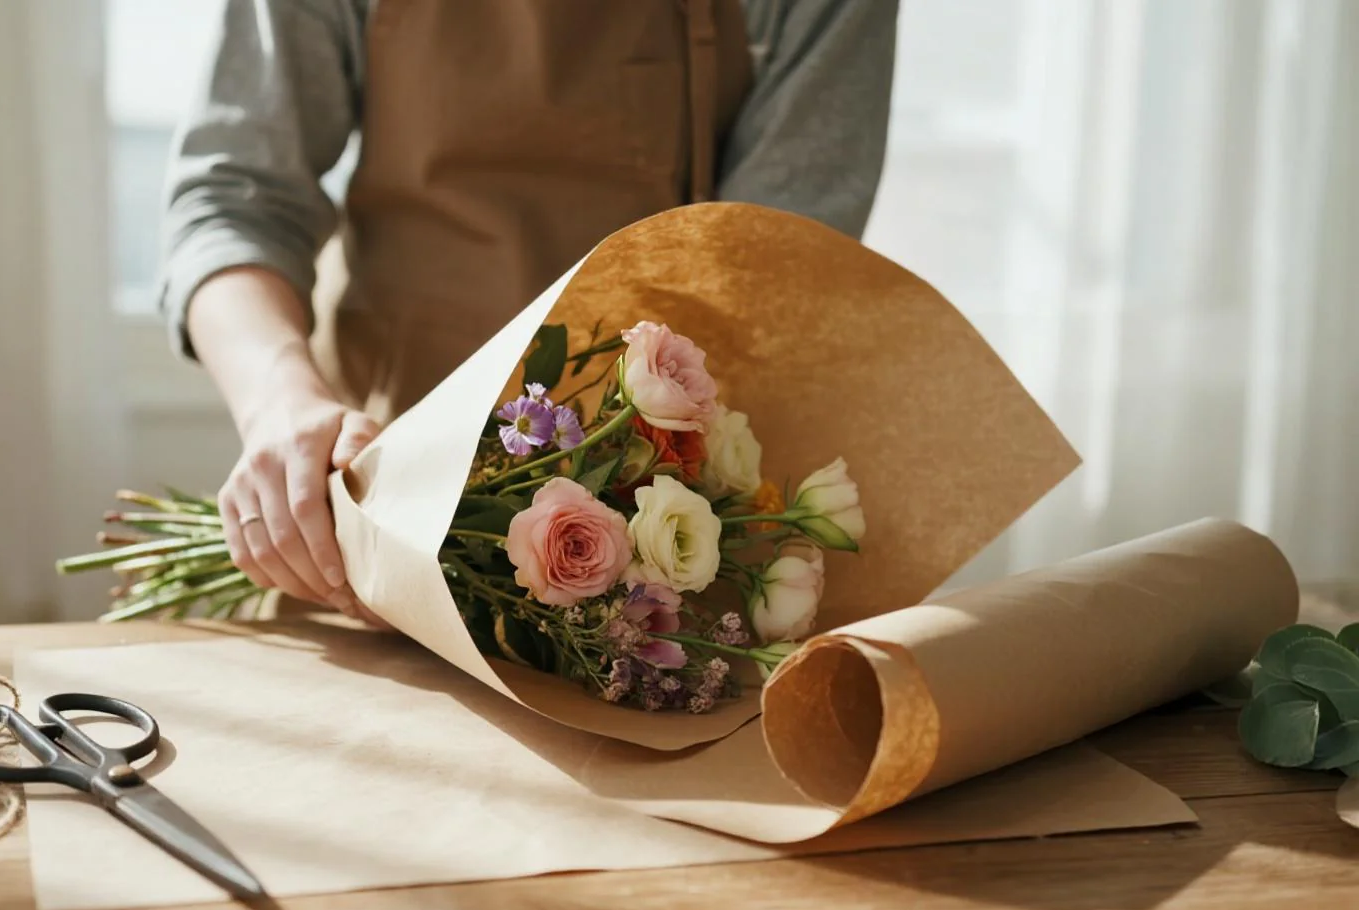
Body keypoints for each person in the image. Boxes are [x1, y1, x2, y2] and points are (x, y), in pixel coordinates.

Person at [160, 0, 898, 618]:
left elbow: (773, 266)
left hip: (650, 570)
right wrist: (281, 406)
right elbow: (235, 199)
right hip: (366, 522)